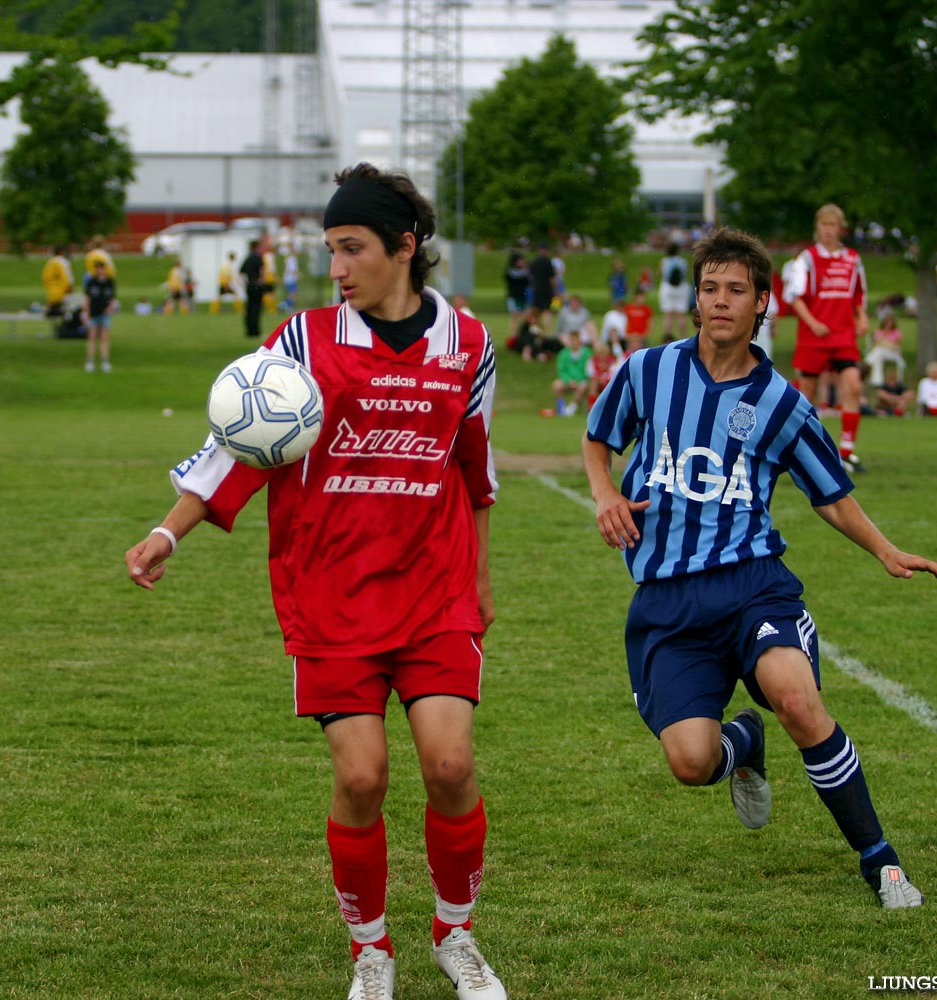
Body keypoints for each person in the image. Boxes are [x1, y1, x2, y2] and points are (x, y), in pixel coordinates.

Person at [125, 162, 506, 1000]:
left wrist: (478, 580)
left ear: (404, 248)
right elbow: (236, 442)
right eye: (331, 249)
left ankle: (456, 936)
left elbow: (473, 471)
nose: (336, 267)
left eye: (352, 248)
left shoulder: (469, 344)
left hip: (435, 589)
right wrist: (168, 530)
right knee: (363, 776)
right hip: (330, 593)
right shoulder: (300, 342)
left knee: (448, 764)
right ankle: (371, 950)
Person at [582, 226, 937, 911]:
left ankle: (880, 860)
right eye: (710, 288)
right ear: (696, 299)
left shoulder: (782, 403)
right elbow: (598, 437)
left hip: (752, 586)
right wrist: (604, 493)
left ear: (761, 304)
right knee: (691, 763)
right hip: (666, 603)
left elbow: (830, 497)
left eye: (737, 290)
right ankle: (742, 742)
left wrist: (887, 550)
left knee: (797, 699)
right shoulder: (647, 371)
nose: (721, 301)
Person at [783, 204, 871, 474]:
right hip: (814, 336)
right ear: (817, 228)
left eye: (833, 225)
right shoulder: (806, 259)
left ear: (840, 228)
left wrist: (862, 317)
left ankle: (847, 452)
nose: (828, 230)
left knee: (853, 386)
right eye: (824, 225)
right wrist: (813, 323)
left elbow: (858, 295)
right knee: (806, 394)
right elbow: (793, 297)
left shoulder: (852, 259)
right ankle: (795, 450)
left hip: (843, 335)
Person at [82, 258, 117, 373]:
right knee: (91, 338)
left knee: (104, 339)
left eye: (102, 268)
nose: (100, 271)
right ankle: (90, 361)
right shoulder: (92, 282)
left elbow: (112, 298)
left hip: (105, 314)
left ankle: (105, 361)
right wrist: (85, 312)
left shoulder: (109, 282)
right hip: (93, 314)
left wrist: (110, 308)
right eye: (98, 269)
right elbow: (87, 298)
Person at [551, 329, 591, 417]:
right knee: (556, 385)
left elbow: (588, 370)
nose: (574, 342)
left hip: (581, 380)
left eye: (576, 340)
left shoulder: (587, 353)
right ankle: (561, 408)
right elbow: (561, 370)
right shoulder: (563, 353)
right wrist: (569, 381)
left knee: (583, 385)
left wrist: (578, 380)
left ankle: (572, 408)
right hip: (568, 381)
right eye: (572, 340)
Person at [658, 242, 690, 342]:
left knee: (668, 315)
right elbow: (685, 274)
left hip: (668, 287)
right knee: (681, 315)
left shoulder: (664, 261)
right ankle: (683, 337)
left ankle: (667, 337)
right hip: (681, 287)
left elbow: (661, 274)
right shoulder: (683, 261)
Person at [864, 314, 906, 384]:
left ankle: (867, 362)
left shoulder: (896, 332)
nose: (889, 323)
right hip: (881, 352)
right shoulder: (879, 331)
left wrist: (884, 343)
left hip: (892, 353)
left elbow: (896, 346)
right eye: (887, 321)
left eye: (891, 321)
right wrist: (885, 337)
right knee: (878, 354)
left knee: (878, 351)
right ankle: (877, 381)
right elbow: (876, 344)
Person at [239, 239, 266, 339]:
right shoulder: (258, 258)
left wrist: (245, 283)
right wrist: (261, 281)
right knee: (256, 309)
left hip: (250, 285)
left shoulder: (248, 258)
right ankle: (256, 331)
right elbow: (262, 270)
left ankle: (249, 331)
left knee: (249, 309)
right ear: (256, 247)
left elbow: (241, 273)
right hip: (257, 285)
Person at [503, 252, 529, 338]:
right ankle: (513, 335)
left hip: (523, 297)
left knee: (524, 316)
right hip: (513, 297)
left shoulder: (526, 272)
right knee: (515, 316)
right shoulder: (510, 272)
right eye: (520, 260)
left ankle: (521, 334)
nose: (521, 262)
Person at [42, 246, 73, 317]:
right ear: (61, 252)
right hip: (63, 290)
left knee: (52, 305)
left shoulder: (49, 262)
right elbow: (67, 275)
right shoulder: (63, 261)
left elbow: (45, 277)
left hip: (51, 289)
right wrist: (69, 286)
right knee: (64, 309)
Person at [623, 288, 653, 354]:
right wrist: (628, 335)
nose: (643, 299)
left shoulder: (647, 309)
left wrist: (643, 335)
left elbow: (650, 324)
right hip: (630, 336)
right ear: (635, 297)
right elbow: (625, 322)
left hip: (642, 337)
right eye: (641, 297)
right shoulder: (628, 308)